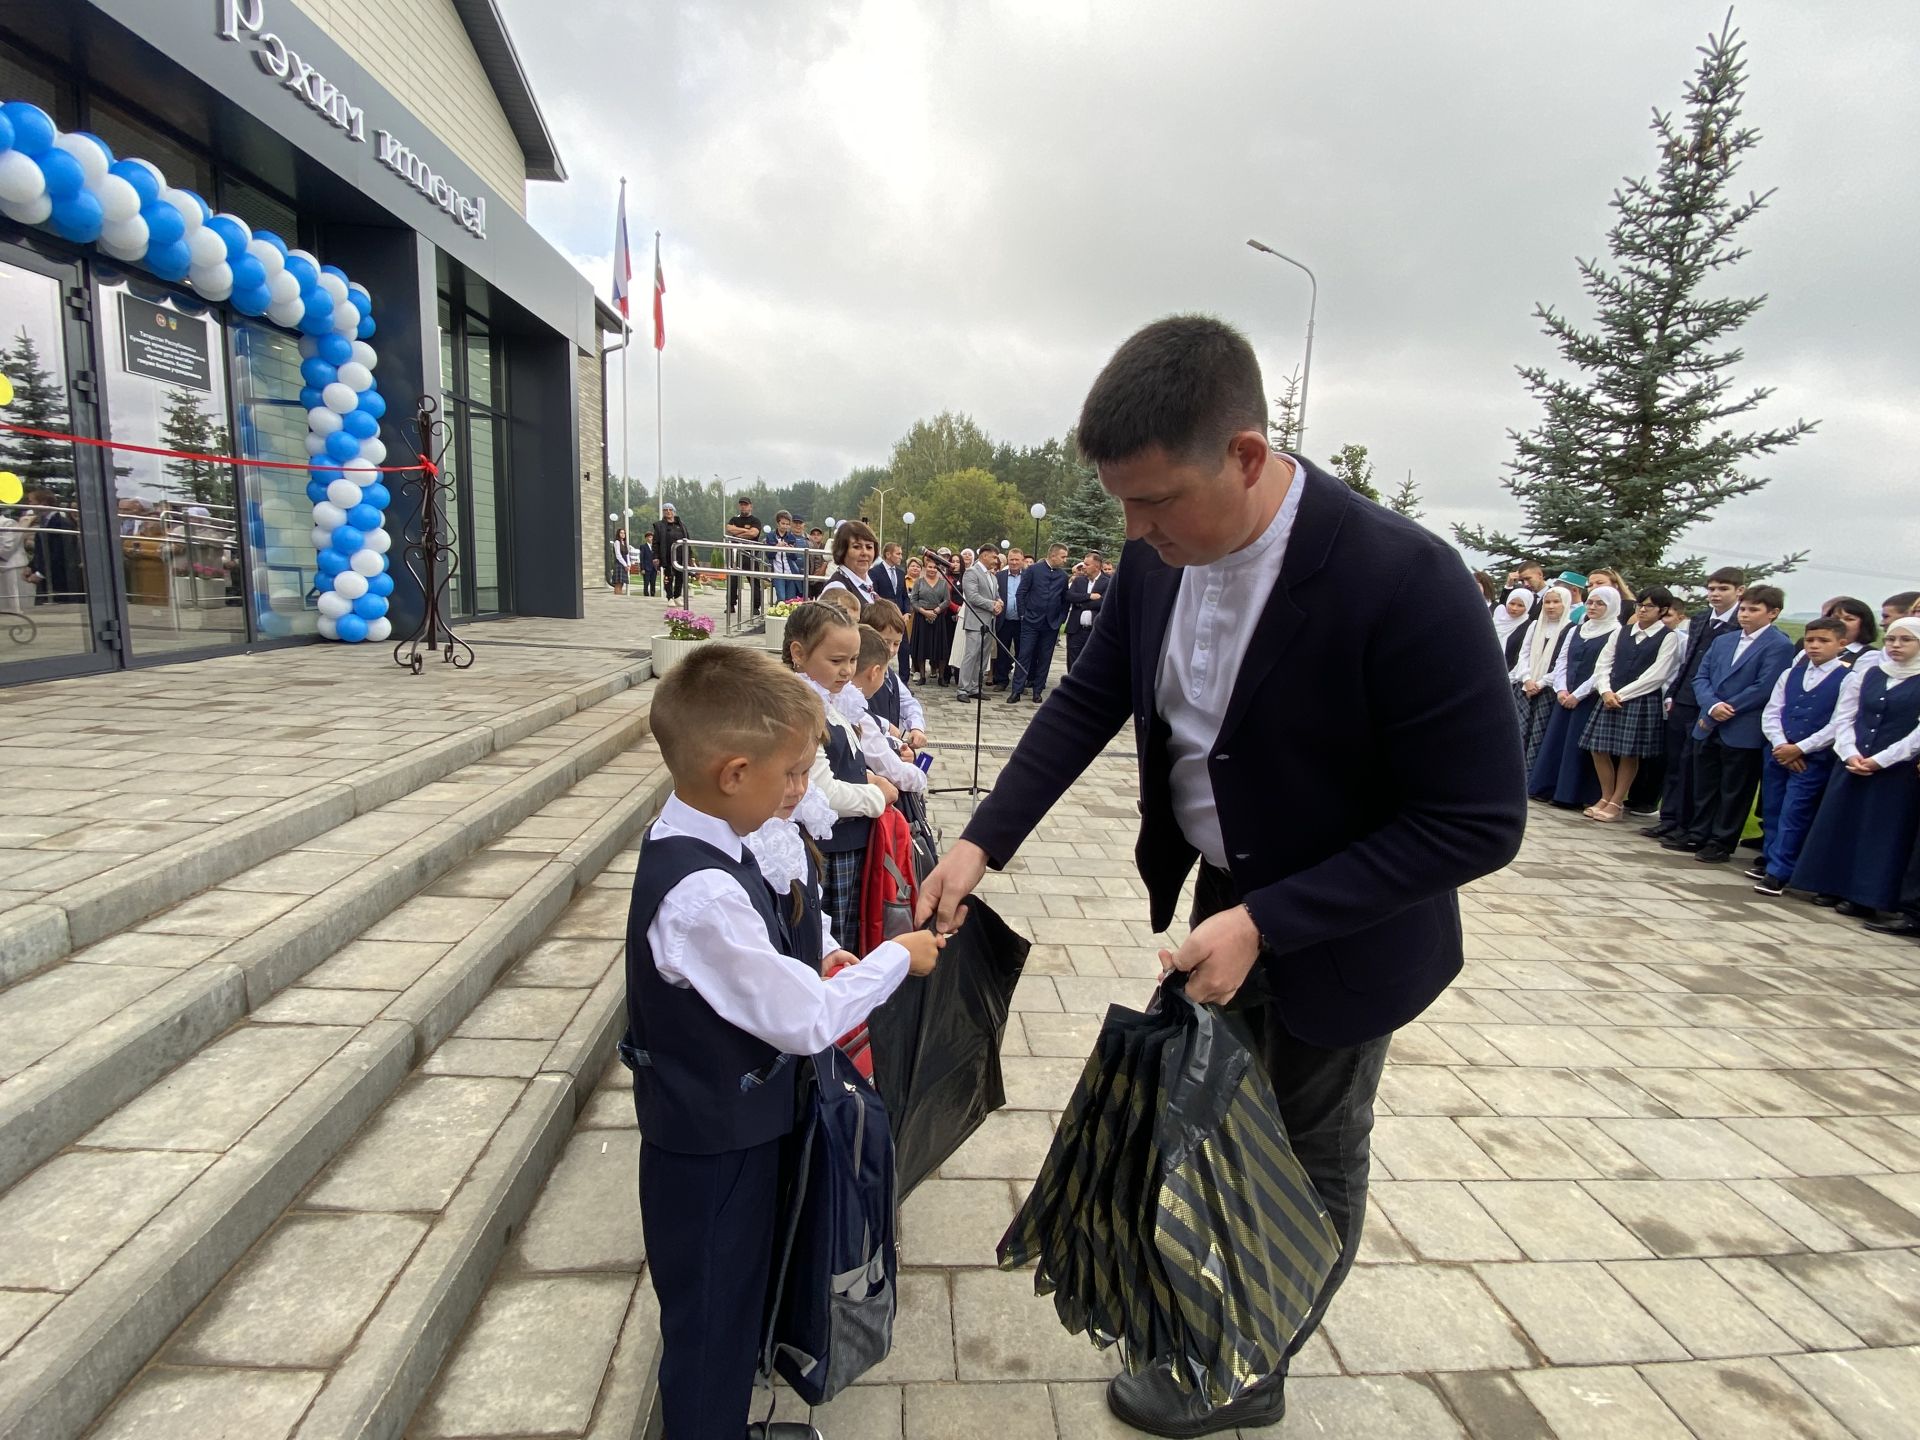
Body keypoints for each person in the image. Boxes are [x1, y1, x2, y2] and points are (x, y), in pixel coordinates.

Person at [915, 315, 1525, 1437]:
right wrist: (980, 839)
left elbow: (1479, 821)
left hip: (1348, 931)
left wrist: (1273, 920)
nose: (1137, 534)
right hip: (1225, 903)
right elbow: (1091, 698)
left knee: (1307, 1148)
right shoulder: (1163, 565)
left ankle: (1251, 1369)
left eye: (1156, 503)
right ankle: (1221, 1311)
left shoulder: (1404, 579)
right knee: (1219, 1132)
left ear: (1246, 456)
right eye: (1121, 508)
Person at [624, 644, 942, 1440]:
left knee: (735, 1302)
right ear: (734, 773)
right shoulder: (699, 894)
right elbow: (802, 1018)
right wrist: (894, 959)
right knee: (709, 1326)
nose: (802, 789)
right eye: (792, 773)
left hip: (734, 1130)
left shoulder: (716, 841)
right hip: (710, 1153)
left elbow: (772, 957)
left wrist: (825, 945)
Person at [782, 601, 899, 942]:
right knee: (834, 941)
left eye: (852, 660)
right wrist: (877, 795)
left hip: (847, 844)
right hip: (828, 852)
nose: (848, 671)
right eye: (836, 661)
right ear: (798, 653)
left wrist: (868, 777)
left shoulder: (831, 701)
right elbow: (820, 793)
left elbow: (842, 762)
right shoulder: (803, 710)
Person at [1790, 618, 1920, 917]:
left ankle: (1866, 895)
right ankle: (1831, 884)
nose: (1896, 645)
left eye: (1906, 640)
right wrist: (1849, 753)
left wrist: (1881, 760)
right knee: (1842, 823)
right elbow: (1845, 717)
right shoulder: (1869, 674)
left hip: (1894, 769)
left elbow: (1917, 734)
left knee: (1879, 831)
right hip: (1853, 760)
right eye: (1891, 639)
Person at [1661, 584, 1794, 864]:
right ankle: (1698, 832)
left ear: (1773, 613)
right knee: (1704, 782)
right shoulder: (1725, 640)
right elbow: (1701, 675)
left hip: (1743, 724)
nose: (1745, 614)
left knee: (1734, 787)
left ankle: (1721, 841)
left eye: (1753, 610)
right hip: (1709, 720)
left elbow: (1765, 685)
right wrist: (1711, 704)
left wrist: (1729, 706)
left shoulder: (1778, 644)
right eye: (1743, 608)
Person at [1750, 616, 1853, 896]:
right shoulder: (1790, 673)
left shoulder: (1848, 678)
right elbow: (1772, 711)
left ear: (1841, 644)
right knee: (1772, 808)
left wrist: (1801, 748)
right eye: (1810, 640)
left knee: (1795, 812)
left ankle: (1780, 871)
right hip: (1778, 752)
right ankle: (1770, 859)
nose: (1815, 646)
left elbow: (1839, 723)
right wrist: (1781, 744)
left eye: (1823, 641)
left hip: (1811, 758)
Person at [1642, 567, 1745, 839]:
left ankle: (1691, 824)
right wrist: (1673, 692)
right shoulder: (1700, 620)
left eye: (1723, 589)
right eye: (1711, 589)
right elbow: (1687, 662)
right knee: (1675, 762)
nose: (1715, 594)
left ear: (1739, 592)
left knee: (1695, 766)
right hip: (1685, 698)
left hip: (1710, 703)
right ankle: (1670, 818)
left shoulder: (1739, 624)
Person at [1577, 585, 1680, 822]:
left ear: (1662, 610)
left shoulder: (1668, 637)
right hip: (1609, 695)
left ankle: (1617, 801)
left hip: (1638, 700)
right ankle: (1605, 796)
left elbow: (1657, 674)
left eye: (1649, 606)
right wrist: (1605, 690)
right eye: (1640, 605)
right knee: (1598, 747)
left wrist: (1621, 695)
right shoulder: (1622, 632)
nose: (1642, 610)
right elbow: (1604, 663)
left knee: (1628, 753)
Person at [1526, 586, 1618, 810]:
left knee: (1577, 746)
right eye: (1590, 603)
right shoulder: (1577, 629)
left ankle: (1571, 793)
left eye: (1599, 604)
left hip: (1587, 697)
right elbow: (1562, 662)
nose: (1593, 607)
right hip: (1564, 693)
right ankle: (1547, 786)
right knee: (1556, 741)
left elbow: (1603, 669)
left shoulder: (1615, 631)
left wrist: (1578, 694)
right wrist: (1561, 689)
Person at [1512, 586, 1573, 772]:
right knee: (1519, 731)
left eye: (1556, 602)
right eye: (1547, 602)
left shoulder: (1570, 628)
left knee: (1538, 734)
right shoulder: (1535, 625)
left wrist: (1541, 683)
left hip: (1547, 689)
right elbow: (1524, 654)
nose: (1551, 606)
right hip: (1526, 686)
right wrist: (1527, 677)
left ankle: (1531, 776)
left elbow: (1562, 661)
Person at [859, 599, 930, 750]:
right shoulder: (857, 677)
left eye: (896, 643)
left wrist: (916, 727)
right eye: (885, 642)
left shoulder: (890, 675)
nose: (891, 650)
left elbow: (907, 702)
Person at [1007, 542, 1070, 703]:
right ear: (1053, 555)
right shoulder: (1033, 570)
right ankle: (1017, 690)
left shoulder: (1063, 576)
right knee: (1024, 655)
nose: (1065, 560)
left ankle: (1038, 690)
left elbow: (1065, 600)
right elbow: (1021, 593)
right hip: (1030, 622)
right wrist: (1023, 615)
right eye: (1063, 557)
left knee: (1045, 658)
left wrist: (1061, 618)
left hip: (1051, 624)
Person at [954, 545, 1000, 701]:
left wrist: (999, 602)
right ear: (984, 556)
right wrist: (992, 604)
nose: (996, 560)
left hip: (989, 622)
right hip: (975, 622)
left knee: (983, 657)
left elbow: (996, 595)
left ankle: (974, 687)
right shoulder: (971, 573)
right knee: (971, 655)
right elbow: (972, 597)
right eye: (994, 557)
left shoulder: (992, 576)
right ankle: (962, 689)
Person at [820, 519, 882, 607]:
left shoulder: (868, 585)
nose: (864, 553)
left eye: (869, 547)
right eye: (857, 547)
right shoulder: (837, 589)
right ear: (842, 550)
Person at [909, 556, 950, 685]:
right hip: (922, 617)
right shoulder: (919, 582)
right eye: (930, 567)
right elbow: (913, 600)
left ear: (938, 569)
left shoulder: (943, 583)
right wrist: (924, 612)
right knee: (922, 647)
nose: (932, 570)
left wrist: (936, 610)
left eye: (935, 568)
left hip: (938, 617)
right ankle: (922, 676)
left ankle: (941, 677)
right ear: (926, 568)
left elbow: (947, 600)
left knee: (940, 648)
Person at [1065, 550, 1107, 670]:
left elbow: (1103, 603)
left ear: (1097, 566)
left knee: (1093, 663)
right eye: (1084, 563)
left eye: (1087, 564)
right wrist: (1089, 596)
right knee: (1073, 662)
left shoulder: (1107, 582)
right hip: (1076, 630)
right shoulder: (1079, 581)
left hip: (1094, 630)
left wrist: (1081, 603)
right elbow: (1069, 596)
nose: (1084, 567)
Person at [993, 547, 1026, 687]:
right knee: (1002, 652)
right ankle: (1001, 680)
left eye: (1017, 559)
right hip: (1004, 620)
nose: (1014, 562)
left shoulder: (1028, 576)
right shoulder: (999, 576)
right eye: (1011, 559)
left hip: (1022, 621)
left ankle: (1020, 682)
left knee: (1022, 652)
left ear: (1022, 561)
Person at [1822, 596, 1879, 666]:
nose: (1840, 623)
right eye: (1835, 618)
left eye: (1849, 619)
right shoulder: (1814, 649)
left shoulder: (1871, 656)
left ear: (1864, 624)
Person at [649, 504, 689, 603]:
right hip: (667, 555)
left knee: (680, 577)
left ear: (674, 511)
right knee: (668, 576)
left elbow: (687, 540)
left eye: (670, 509)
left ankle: (677, 596)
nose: (668, 511)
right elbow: (656, 543)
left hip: (680, 555)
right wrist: (656, 556)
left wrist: (689, 556)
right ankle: (670, 597)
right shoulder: (659, 526)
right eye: (665, 510)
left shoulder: (681, 525)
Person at [872, 541, 906, 608]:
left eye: (901, 554)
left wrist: (907, 613)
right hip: (882, 613)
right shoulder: (874, 572)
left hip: (900, 615)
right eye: (898, 554)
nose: (901, 557)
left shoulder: (901, 573)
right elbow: (873, 596)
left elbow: (904, 596)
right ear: (888, 555)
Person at [609, 527, 637, 595]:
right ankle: (617, 597)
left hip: (625, 565)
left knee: (622, 583)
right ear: (618, 534)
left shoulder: (624, 543)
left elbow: (627, 555)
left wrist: (629, 565)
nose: (623, 534)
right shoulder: (617, 542)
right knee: (618, 583)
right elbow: (618, 555)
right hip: (619, 564)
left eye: (624, 533)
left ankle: (620, 596)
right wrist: (625, 564)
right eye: (621, 533)